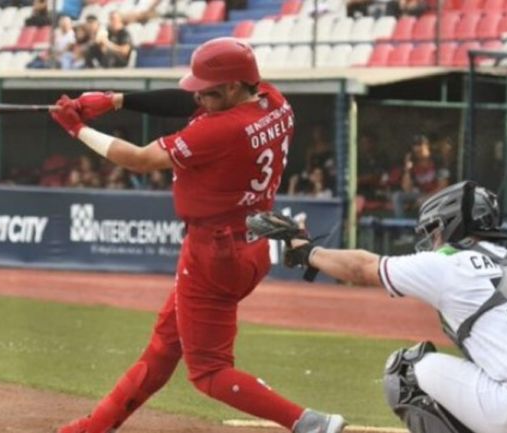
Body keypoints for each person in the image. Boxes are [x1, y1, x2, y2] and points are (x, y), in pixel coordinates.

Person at [50, 37, 346, 433]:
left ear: (233, 88)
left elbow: (138, 160)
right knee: (162, 348)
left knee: (209, 373)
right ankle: (92, 428)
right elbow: (187, 100)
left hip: (213, 253)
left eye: (208, 92)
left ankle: (309, 423)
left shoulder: (221, 129)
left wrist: (78, 129)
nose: (199, 98)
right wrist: (116, 99)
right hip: (253, 241)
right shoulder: (274, 100)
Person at [255, 180, 507, 433]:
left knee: (404, 371)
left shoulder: (448, 264)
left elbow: (362, 267)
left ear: (454, 224)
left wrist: (306, 251)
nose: (433, 239)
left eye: (436, 229)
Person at [391, 134, 441, 218]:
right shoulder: (414, 165)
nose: (418, 148)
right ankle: (402, 227)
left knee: (423, 202)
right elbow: (407, 189)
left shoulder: (438, 161)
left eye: (420, 145)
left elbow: (443, 188)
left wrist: (427, 197)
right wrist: (407, 169)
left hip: (437, 196)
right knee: (397, 196)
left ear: (427, 146)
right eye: (415, 146)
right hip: (420, 195)